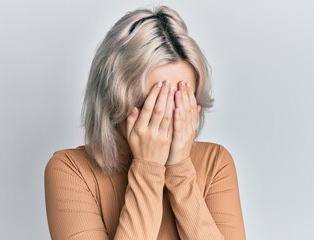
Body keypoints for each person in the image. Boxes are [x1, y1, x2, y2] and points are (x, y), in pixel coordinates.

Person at [44, 5, 246, 240]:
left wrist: (180, 171)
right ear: (114, 100)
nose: (168, 116)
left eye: (180, 99)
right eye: (154, 102)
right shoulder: (71, 170)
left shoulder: (215, 163)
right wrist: (148, 169)